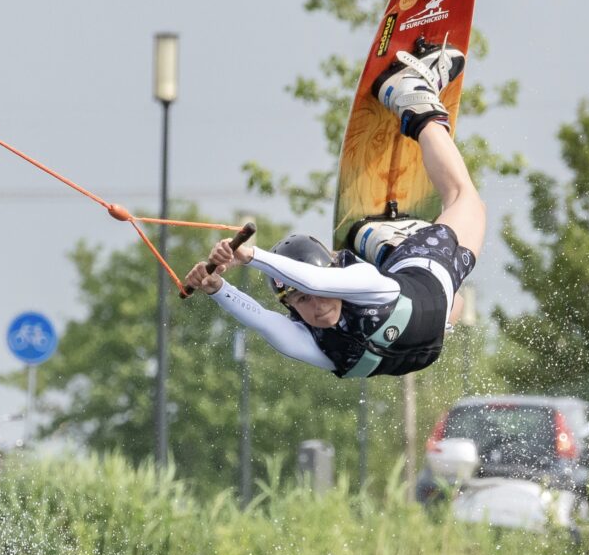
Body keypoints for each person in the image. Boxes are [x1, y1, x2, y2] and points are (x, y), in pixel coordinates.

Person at [183, 45, 485, 380]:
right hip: (433, 312)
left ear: (334, 278)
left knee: (463, 198)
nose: (318, 305)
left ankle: (413, 96)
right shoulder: (309, 341)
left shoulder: (366, 284)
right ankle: (384, 239)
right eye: (301, 300)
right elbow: (262, 319)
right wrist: (217, 287)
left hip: (424, 269)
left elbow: (314, 280)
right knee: (455, 305)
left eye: (320, 293)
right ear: (289, 306)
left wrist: (250, 255)